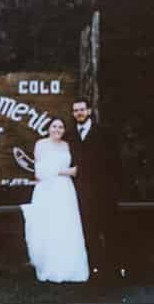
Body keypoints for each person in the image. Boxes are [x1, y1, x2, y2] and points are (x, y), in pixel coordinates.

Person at [20, 118, 90, 283]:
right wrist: (64, 171)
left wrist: (60, 171)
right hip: (47, 190)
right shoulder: (41, 144)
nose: (57, 129)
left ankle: (70, 269)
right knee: (49, 227)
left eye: (60, 127)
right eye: (54, 126)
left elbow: (76, 170)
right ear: (49, 128)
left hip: (65, 190)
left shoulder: (67, 145)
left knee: (66, 226)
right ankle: (49, 268)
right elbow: (40, 172)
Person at [69, 97, 123, 282]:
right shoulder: (70, 136)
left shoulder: (104, 133)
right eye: (75, 110)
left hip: (104, 192)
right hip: (81, 194)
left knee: (109, 231)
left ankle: (114, 269)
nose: (79, 113)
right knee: (88, 232)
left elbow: (115, 162)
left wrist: (114, 189)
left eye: (82, 109)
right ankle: (94, 269)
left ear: (89, 111)